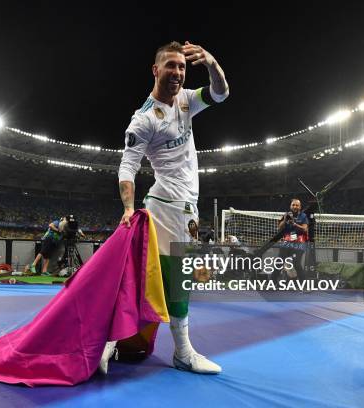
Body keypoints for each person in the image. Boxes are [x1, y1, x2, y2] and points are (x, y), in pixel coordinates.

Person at [117, 40, 229, 374]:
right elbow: (127, 167)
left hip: (183, 207)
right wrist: (127, 207)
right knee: (179, 279)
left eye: (181, 66)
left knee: (152, 279)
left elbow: (221, 93)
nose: (177, 72)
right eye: (171, 65)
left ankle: (113, 341)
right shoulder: (144, 120)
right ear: (156, 70)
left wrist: (210, 61)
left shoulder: (186, 101)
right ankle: (182, 353)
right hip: (169, 207)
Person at [271, 198, 308, 282]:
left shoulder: (303, 216)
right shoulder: (286, 215)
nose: (295, 206)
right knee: (279, 263)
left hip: (298, 244)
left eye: (297, 205)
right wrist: (285, 220)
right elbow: (279, 228)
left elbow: (305, 229)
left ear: (300, 207)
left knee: (297, 264)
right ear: (290, 206)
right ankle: (272, 283)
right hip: (287, 243)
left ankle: (304, 285)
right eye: (293, 205)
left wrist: (295, 224)